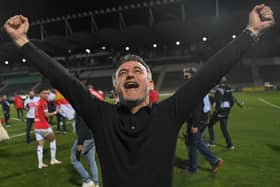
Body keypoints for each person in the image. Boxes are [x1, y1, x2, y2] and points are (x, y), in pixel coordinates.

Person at [3, 4, 274, 187]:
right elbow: (62, 77)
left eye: (137, 71)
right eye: (122, 73)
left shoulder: (168, 114)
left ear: (150, 83)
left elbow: (210, 73)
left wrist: (251, 32)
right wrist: (22, 43)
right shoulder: (101, 116)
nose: (130, 75)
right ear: (116, 87)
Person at [183, 67, 223, 174]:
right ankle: (198, 166)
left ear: (192, 75)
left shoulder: (195, 87)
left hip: (199, 120)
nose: (185, 78)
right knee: (196, 143)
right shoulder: (199, 85)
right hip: (203, 119)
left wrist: (195, 124)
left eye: (186, 76)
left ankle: (210, 162)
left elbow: (197, 106)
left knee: (193, 145)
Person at [33, 88, 62, 169]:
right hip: (44, 126)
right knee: (53, 140)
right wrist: (55, 112)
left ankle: (40, 164)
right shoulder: (44, 103)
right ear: (40, 94)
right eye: (45, 93)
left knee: (40, 145)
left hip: (36, 126)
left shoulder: (36, 102)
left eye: (47, 93)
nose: (47, 95)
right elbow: (46, 115)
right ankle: (53, 160)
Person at [207, 77, 235, 149]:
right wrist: (227, 110)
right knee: (224, 128)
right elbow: (231, 102)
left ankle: (212, 142)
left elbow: (217, 101)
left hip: (219, 112)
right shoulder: (228, 88)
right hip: (226, 112)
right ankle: (230, 145)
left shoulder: (219, 90)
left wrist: (210, 98)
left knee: (210, 124)